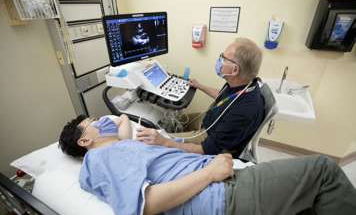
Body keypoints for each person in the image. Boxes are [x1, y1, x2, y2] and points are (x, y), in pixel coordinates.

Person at [59, 115, 356, 215]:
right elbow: (145, 204)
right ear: (85, 142)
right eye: (93, 122)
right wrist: (209, 172)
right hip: (220, 193)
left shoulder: (117, 147)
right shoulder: (100, 158)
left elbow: (122, 125)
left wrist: (119, 122)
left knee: (308, 204)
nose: (102, 120)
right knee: (322, 170)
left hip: (219, 182)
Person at [136, 37, 265, 158]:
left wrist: (164, 142)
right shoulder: (244, 84)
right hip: (209, 121)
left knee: (158, 138)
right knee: (168, 122)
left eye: (223, 58)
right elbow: (224, 97)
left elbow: (206, 149)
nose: (219, 60)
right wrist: (199, 86)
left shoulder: (243, 111)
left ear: (234, 70)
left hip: (207, 138)